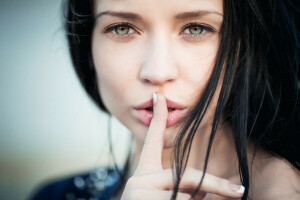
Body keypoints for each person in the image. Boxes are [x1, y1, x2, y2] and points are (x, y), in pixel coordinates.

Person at [29, 0, 300, 199]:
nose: (157, 72)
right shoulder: (53, 195)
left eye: (196, 28)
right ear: (87, 48)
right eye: (122, 28)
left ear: (246, 46)